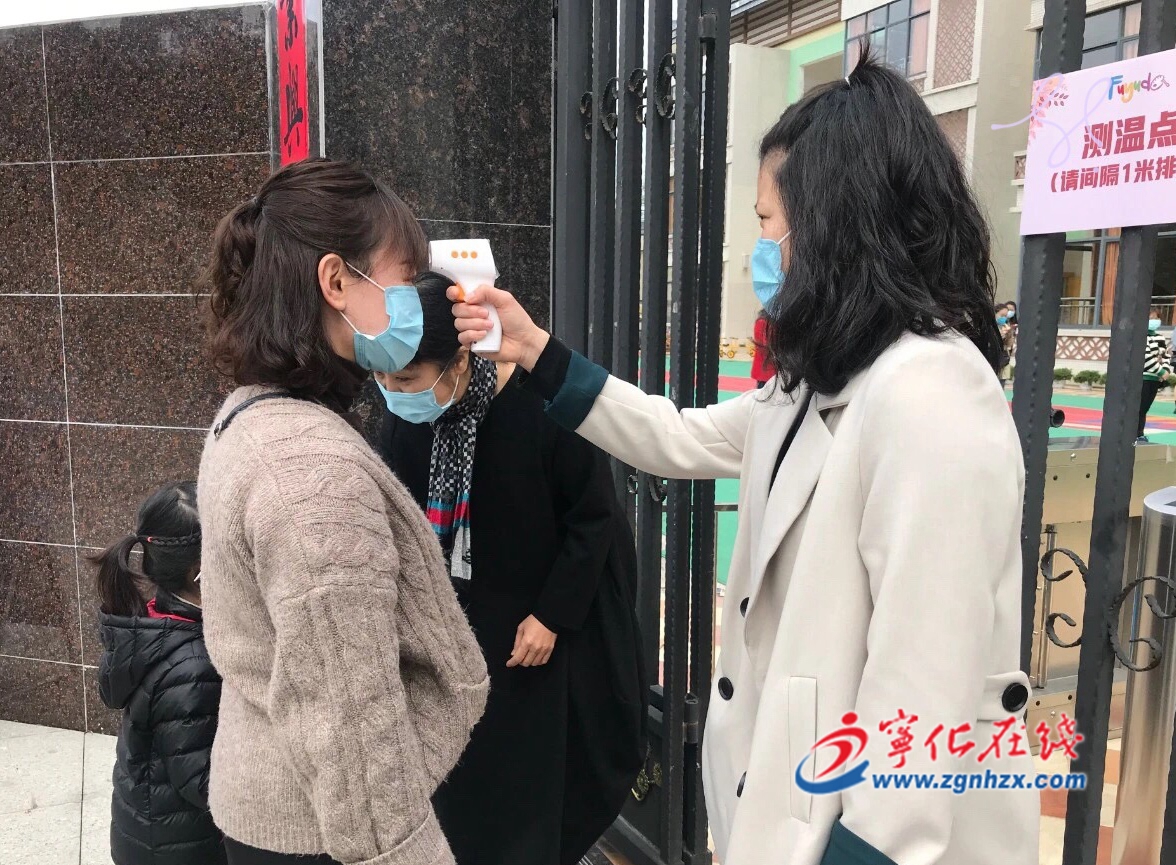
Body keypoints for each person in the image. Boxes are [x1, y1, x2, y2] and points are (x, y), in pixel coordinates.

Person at [449, 50, 1037, 865]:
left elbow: (924, 686)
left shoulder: (931, 395)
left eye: (767, 221)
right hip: (798, 800)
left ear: (831, 223)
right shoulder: (822, 382)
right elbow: (679, 435)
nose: (762, 246)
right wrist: (538, 352)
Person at [197, 159, 489, 865]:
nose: (414, 299)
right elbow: (355, 732)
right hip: (322, 833)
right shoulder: (312, 475)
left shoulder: (250, 413)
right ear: (336, 281)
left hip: (271, 803)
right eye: (403, 277)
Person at [375, 271, 646, 865]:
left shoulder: (542, 407)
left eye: (407, 380)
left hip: (531, 638)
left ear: (458, 361)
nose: (393, 393)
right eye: (384, 378)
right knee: (456, 793)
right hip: (449, 634)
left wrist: (552, 616)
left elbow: (594, 517)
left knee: (526, 794)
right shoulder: (407, 417)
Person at [92, 481, 225, 865]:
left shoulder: (151, 622)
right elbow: (203, 784)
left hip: (148, 834)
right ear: (200, 572)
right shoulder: (193, 666)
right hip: (181, 849)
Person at [1139, 308, 1171, 443]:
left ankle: (1139, 433)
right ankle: (1137, 434)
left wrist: (1166, 369)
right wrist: (1161, 371)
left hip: (1155, 379)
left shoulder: (1160, 337)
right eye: (1151, 318)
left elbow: (1166, 355)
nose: (1154, 321)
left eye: (1156, 318)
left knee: (1145, 408)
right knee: (1140, 408)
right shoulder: (1141, 335)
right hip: (1143, 378)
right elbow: (1146, 357)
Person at [750, 311, 776, 389]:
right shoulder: (764, 322)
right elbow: (765, 345)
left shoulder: (763, 321)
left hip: (768, 369)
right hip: (766, 370)